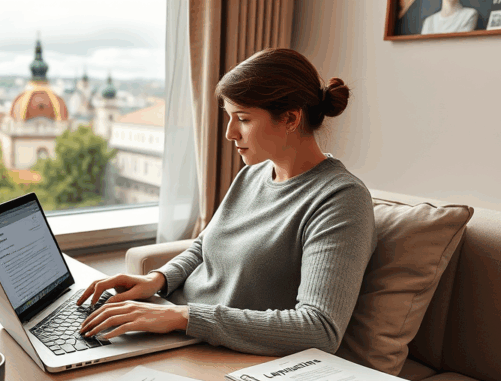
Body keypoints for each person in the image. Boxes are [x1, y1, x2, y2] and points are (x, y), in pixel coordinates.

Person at [77, 48, 377, 356]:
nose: (230, 133)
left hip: (215, 349)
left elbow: (319, 329)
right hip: (178, 327)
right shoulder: (253, 175)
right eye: (229, 117)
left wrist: (182, 318)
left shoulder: (341, 199)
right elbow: (205, 245)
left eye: (243, 119)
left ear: (290, 118)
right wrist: (158, 280)